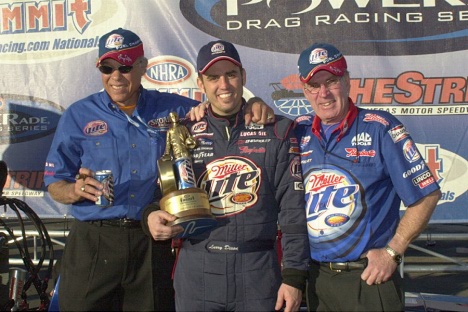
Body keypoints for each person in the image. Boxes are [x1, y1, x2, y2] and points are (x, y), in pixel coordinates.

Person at [43, 28, 273, 311]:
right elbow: (55, 183)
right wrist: (74, 190)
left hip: (151, 239)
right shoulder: (78, 114)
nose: (116, 76)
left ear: (142, 67)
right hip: (94, 238)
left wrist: (253, 104)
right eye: (107, 67)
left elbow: (222, 103)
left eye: (125, 66)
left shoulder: (173, 108)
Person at [143, 40, 310, 312]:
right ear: (200, 83)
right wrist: (150, 215)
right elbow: (159, 194)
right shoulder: (183, 132)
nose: (224, 85)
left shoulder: (276, 129)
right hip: (197, 268)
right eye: (213, 77)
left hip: (258, 270)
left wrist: (293, 276)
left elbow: (293, 210)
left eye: (231, 75)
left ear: (243, 76)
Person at [294, 42, 442, 311]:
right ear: (305, 91)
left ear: (347, 80)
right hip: (317, 280)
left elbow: (427, 194)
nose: (324, 93)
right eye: (314, 85)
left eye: (332, 80)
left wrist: (393, 252)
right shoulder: (298, 132)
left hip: (369, 278)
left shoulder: (381, 128)